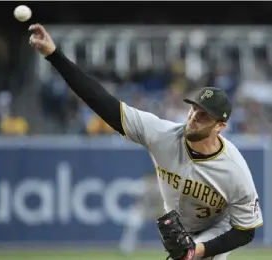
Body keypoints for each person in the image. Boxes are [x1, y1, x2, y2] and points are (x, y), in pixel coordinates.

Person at [29, 24, 263, 260]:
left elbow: (246, 231)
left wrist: (197, 250)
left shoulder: (234, 169)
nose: (193, 118)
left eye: (203, 115)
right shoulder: (163, 134)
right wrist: (54, 56)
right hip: (183, 229)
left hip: (216, 230)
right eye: (193, 109)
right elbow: (102, 101)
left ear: (220, 126)